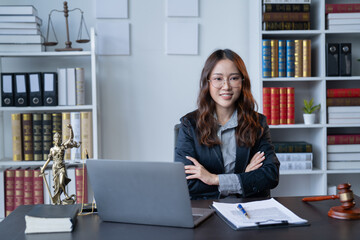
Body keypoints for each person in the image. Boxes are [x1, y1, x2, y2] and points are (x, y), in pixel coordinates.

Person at [175, 49, 279, 200]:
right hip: (207, 211)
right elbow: (186, 184)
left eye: (234, 78)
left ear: (243, 82)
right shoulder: (189, 125)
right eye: (218, 79)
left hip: (247, 208)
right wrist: (243, 179)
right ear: (208, 83)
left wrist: (214, 179)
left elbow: (271, 176)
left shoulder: (257, 123)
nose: (226, 86)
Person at [41, 124, 81, 205]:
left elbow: (71, 138)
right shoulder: (52, 149)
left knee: (61, 181)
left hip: (61, 167)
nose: (58, 140)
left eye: (59, 138)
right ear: (54, 140)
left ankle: (65, 194)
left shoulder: (63, 146)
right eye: (56, 139)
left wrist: (71, 129)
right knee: (56, 186)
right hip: (55, 168)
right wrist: (43, 168)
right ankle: (58, 200)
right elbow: (49, 159)